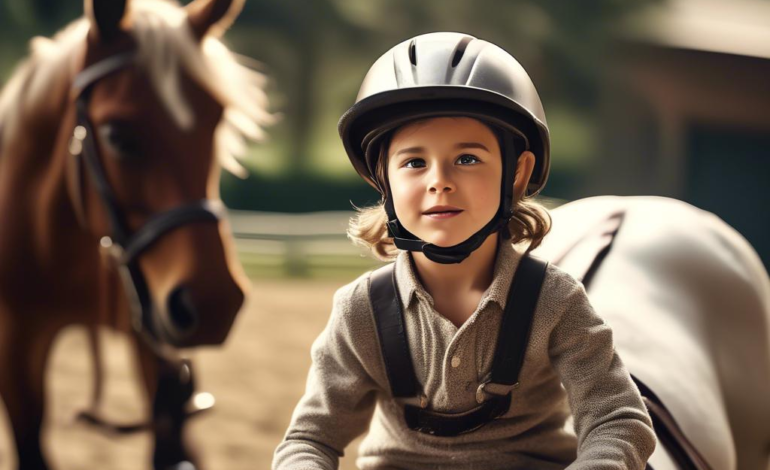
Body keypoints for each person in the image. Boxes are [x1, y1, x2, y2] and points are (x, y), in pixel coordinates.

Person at [273, 32, 655, 470]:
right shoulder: (360, 311)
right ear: (385, 181)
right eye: (414, 162)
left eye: (468, 159)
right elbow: (309, 438)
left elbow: (618, 418)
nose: (439, 180)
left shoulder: (555, 300)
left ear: (516, 174)